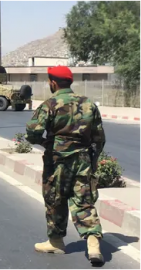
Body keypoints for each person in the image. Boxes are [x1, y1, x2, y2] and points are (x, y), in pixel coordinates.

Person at [25, 65, 105, 264]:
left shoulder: (49, 104)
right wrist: (92, 160)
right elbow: (99, 138)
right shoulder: (88, 104)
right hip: (83, 160)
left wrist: (45, 143)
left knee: (55, 199)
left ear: (53, 83)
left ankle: (56, 242)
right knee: (84, 200)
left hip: (57, 161)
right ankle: (93, 245)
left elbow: (32, 132)